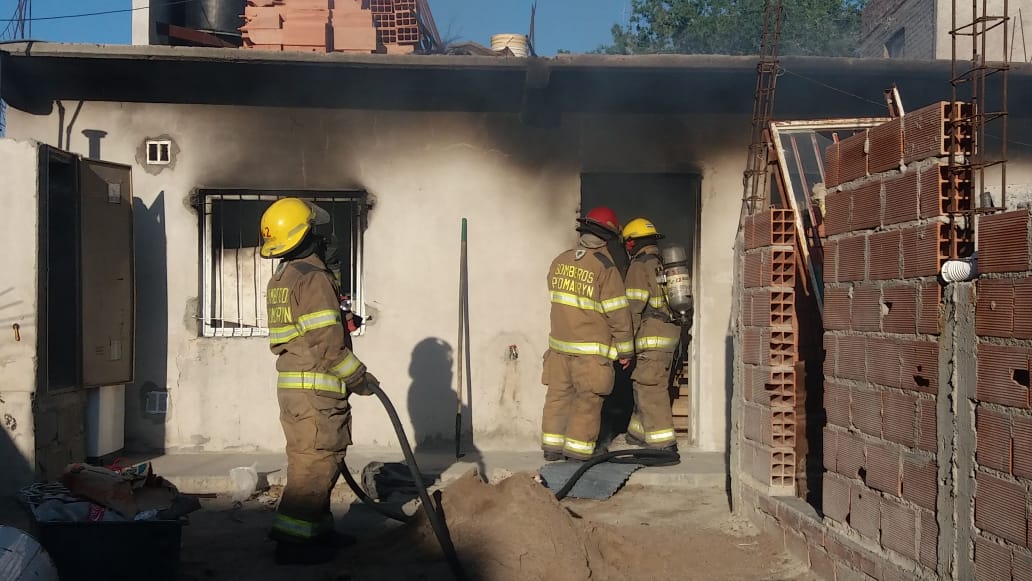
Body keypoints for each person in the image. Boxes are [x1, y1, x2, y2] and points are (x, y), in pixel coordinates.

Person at [259, 197, 378, 565]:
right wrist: (359, 377)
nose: (326, 236)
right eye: (319, 230)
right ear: (307, 234)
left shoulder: (283, 277)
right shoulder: (313, 279)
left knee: (317, 460)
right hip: (316, 390)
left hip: (297, 391)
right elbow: (328, 346)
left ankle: (318, 532)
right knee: (314, 464)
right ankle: (293, 544)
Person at [541, 206, 634, 462]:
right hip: (590, 355)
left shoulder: (560, 260)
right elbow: (618, 314)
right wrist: (625, 350)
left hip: (559, 350)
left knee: (557, 397)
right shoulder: (605, 268)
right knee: (587, 401)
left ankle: (552, 448)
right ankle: (577, 453)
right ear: (609, 237)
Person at [621, 218, 682, 452]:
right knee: (646, 383)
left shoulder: (639, 265)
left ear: (631, 243)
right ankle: (637, 434)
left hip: (652, 336)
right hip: (668, 335)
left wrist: (624, 345)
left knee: (649, 387)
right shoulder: (663, 262)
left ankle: (663, 445)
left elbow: (632, 310)